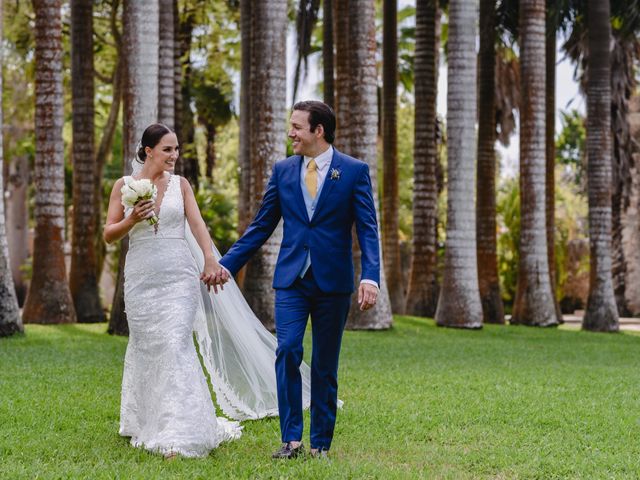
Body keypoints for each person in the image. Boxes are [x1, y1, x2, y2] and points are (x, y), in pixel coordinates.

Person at [104, 123, 311, 458]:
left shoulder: (180, 186)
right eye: (168, 149)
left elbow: (197, 224)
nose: (174, 155)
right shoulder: (123, 186)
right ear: (148, 150)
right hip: (142, 279)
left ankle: (181, 429)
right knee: (148, 346)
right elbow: (109, 234)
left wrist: (210, 260)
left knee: (175, 343)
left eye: (176, 149)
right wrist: (132, 220)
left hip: (178, 277)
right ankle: (145, 418)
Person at [214, 100, 380, 459]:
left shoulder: (353, 171)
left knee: (324, 364)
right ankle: (291, 440)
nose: (290, 133)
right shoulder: (283, 170)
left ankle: (320, 444)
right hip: (291, 280)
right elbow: (261, 226)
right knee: (287, 349)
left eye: (297, 127)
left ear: (318, 131)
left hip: (333, 283)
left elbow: (367, 229)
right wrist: (225, 265)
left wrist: (371, 277)